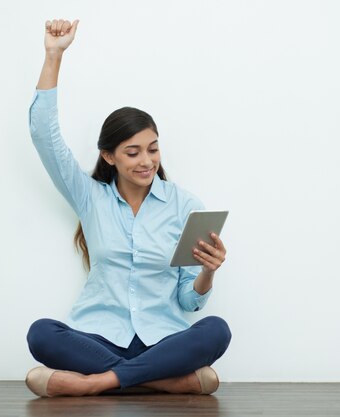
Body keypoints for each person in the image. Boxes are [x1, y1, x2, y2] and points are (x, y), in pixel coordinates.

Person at [25, 18, 232, 397]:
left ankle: (99, 383)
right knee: (41, 333)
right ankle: (163, 382)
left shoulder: (185, 205)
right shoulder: (89, 197)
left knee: (217, 330)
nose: (146, 161)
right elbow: (44, 135)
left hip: (162, 341)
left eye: (153, 149)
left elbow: (189, 301)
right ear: (109, 156)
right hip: (98, 339)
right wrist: (53, 55)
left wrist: (207, 272)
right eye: (133, 152)